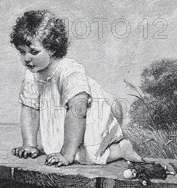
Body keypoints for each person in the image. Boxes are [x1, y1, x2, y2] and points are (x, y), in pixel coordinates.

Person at [10, 10, 142, 166]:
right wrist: (29, 144)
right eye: (22, 52)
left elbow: (78, 111)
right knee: (53, 150)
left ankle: (120, 149)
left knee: (89, 157)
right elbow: (30, 108)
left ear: (52, 48)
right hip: (68, 120)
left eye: (33, 52)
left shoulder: (69, 72)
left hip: (90, 114)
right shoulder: (32, 74)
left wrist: (66, 155)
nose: (26, 58)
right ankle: (69, 150)